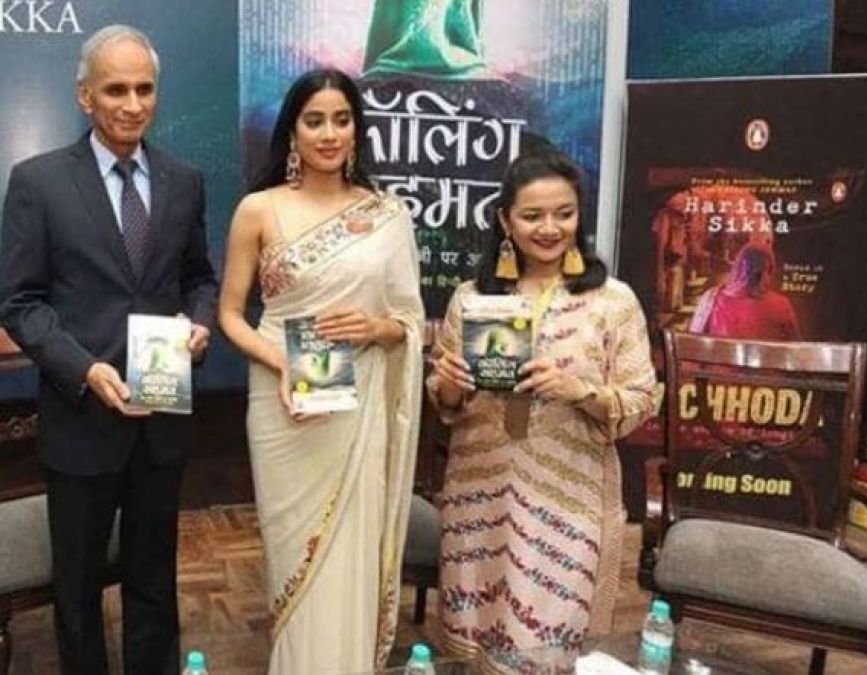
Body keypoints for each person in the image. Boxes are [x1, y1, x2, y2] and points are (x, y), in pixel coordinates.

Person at [0, 25, 217, 674]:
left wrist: (200, 322)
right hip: (81, 423)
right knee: (78, 590)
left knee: (154, 580)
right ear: (84, 96)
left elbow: (199, 278)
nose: (132, 103)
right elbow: (19, 301)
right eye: (115, 89)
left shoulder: (184, 180)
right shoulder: (37, 181)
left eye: (144, 89)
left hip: (161, 423)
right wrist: (85, 369)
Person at [218, 68, 424, 674]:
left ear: (357, 129)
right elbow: (230, 315)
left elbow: (410, 321)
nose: (329, 134)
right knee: (295, 556)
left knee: (351, 548)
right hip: (282, 400)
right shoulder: (259, 210)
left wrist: (377, 328)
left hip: (357, 404)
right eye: (315, 121)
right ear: (293, 131)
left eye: (341, 119)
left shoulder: (386, 214)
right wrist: (282, 361)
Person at [427, 150, 658, 670]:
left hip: (566, 500)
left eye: (564, 213)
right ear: (505, 221)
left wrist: (579, 389)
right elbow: (445, 402)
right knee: (477, 637)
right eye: (532, 216)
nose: (550, 228)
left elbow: (640, 399)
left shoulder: (613, 302)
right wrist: (449, 385)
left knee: (546, 645)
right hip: (479, 492)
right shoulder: (472, 298)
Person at [689, 241, 801, 340]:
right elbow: (795, 349)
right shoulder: (780, 305)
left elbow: (694, 344)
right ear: (767, 270)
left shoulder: (711, 298)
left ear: (737, 267)